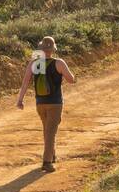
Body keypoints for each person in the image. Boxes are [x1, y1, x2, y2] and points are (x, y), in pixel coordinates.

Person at [15, 36, 75, 172]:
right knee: (50, 132)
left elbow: (25, 83)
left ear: (41, 49)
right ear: (53, 49)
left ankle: (52, 154)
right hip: (55, 103)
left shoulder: (35, 63)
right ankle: (47, 162)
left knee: (47, 130)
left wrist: (20, 100)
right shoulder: (59, 62)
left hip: (40, 102)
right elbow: (71, 80)